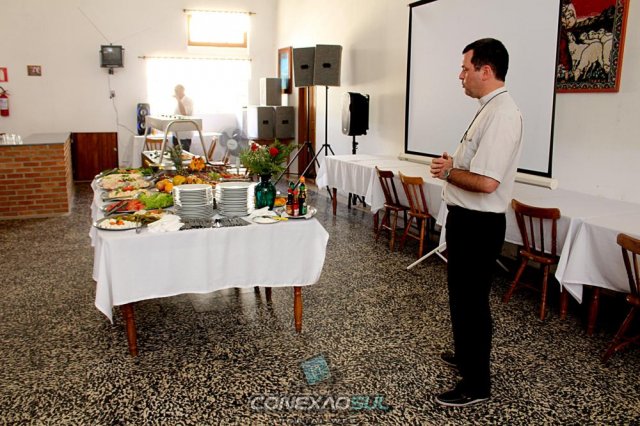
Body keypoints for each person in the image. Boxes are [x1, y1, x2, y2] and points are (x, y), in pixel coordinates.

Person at [430, 38, 523, 407]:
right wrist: (454, 166)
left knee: (472, 302)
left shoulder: (503, 114)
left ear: (486, 71)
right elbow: (477, 166)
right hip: (467, 219)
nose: (460, 76)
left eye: (465, 69)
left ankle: (477, 385)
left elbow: (486, 183)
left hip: (479, 224)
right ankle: (466, 357)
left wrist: (448, 172)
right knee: (461, 297)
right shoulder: (489, 108)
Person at [172, 84, 194, 151]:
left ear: (182, 90)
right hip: (176, 134)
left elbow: (184, 113)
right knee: (176, 156)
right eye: (175, 90)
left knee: (184, 155)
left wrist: (178, 100)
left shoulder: (188, 100)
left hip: (184, 136)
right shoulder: (180, 101)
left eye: (177, 90)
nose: (175, 92)